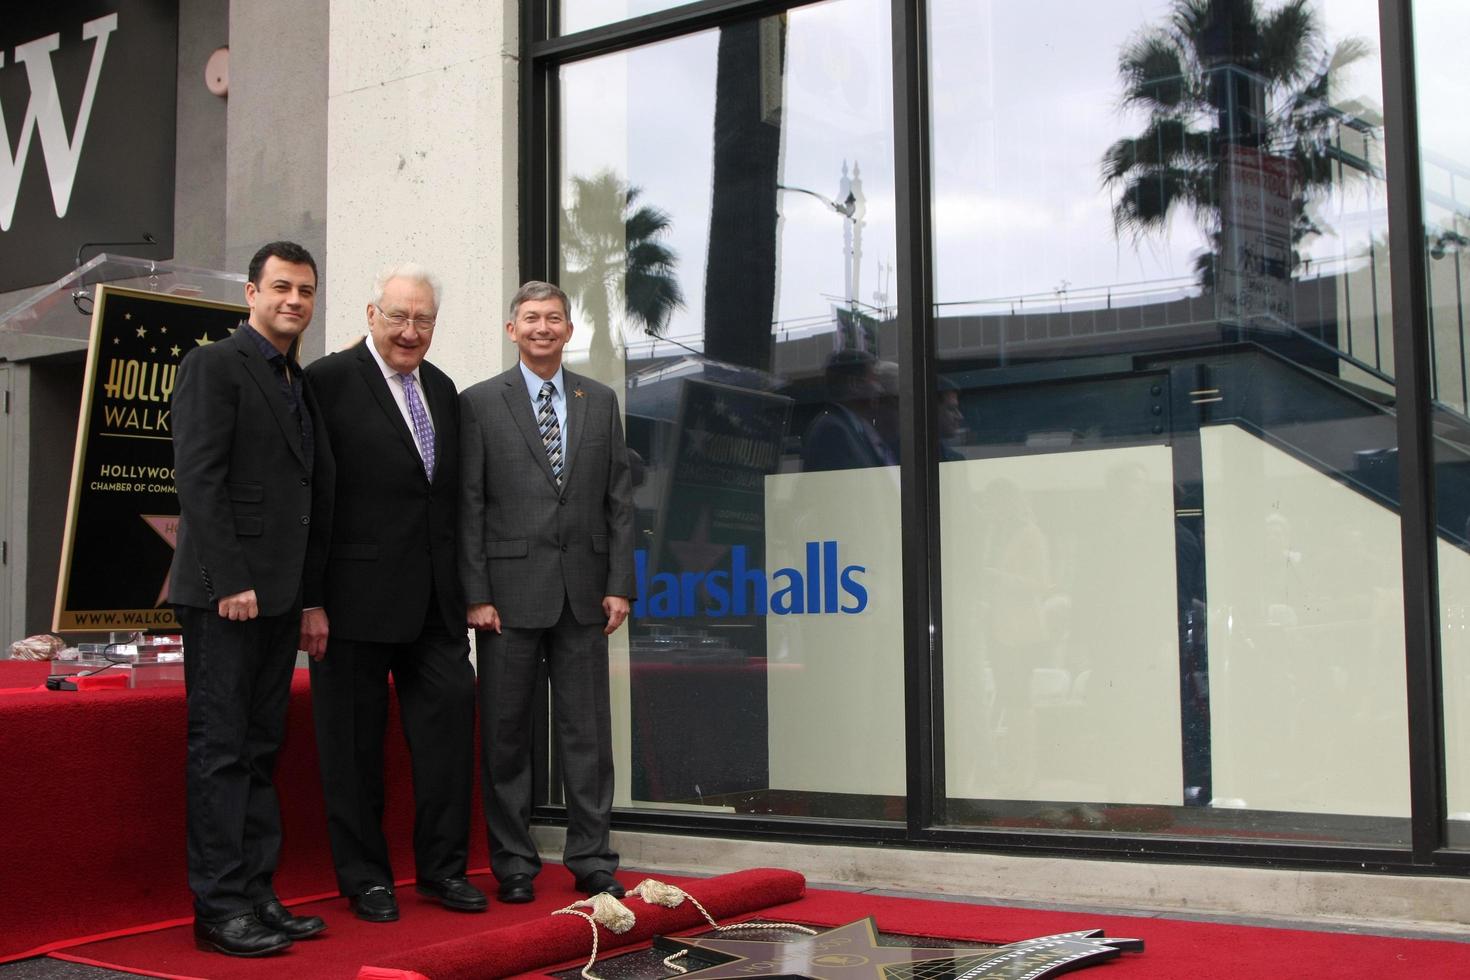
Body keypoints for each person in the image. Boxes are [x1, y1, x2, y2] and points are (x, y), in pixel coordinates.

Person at [301, 264, 483, 922]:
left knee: (448, 738)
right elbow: (311, 496)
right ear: (371, 314)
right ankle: (366, 879)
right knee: (351, 750)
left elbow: (445, 500)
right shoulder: (325, 381)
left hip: (435, 605)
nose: (411, 331)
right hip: (350, 603)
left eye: (424, 320)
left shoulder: (440, 386)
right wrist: (309, 598)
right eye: (400, 316)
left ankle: (442, 871)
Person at [170, 240, 332, 956]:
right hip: (225, 597)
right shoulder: (214, 364)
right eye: (281, 288)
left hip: (277, 597)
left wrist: (303, 596)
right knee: (222, 751)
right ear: (250, 293)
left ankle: (257, 893)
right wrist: (229, 579)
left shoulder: (296, 379)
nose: (294, 300)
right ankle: (219, 908)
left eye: (304, 290)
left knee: (261, 749)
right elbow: (199, 480)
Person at [459, 280, 635, 903]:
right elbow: (469, 506)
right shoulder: (478, 403)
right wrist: (474, 594)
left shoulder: (599, 398)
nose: (542, 328)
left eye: (553, 318)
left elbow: (618, 499)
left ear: (568, 330)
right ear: (513, 330)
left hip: (585, 594)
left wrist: (620, 585)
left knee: (589, 736)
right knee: (506, 736)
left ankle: (591, 858)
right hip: (505, 599)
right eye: (530, 318)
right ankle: (513, 862)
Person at [801, 347, 897, 471]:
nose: (879, 389)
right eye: (874, 380)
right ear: (854, 384)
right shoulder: (833, 430)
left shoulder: (851, 427)